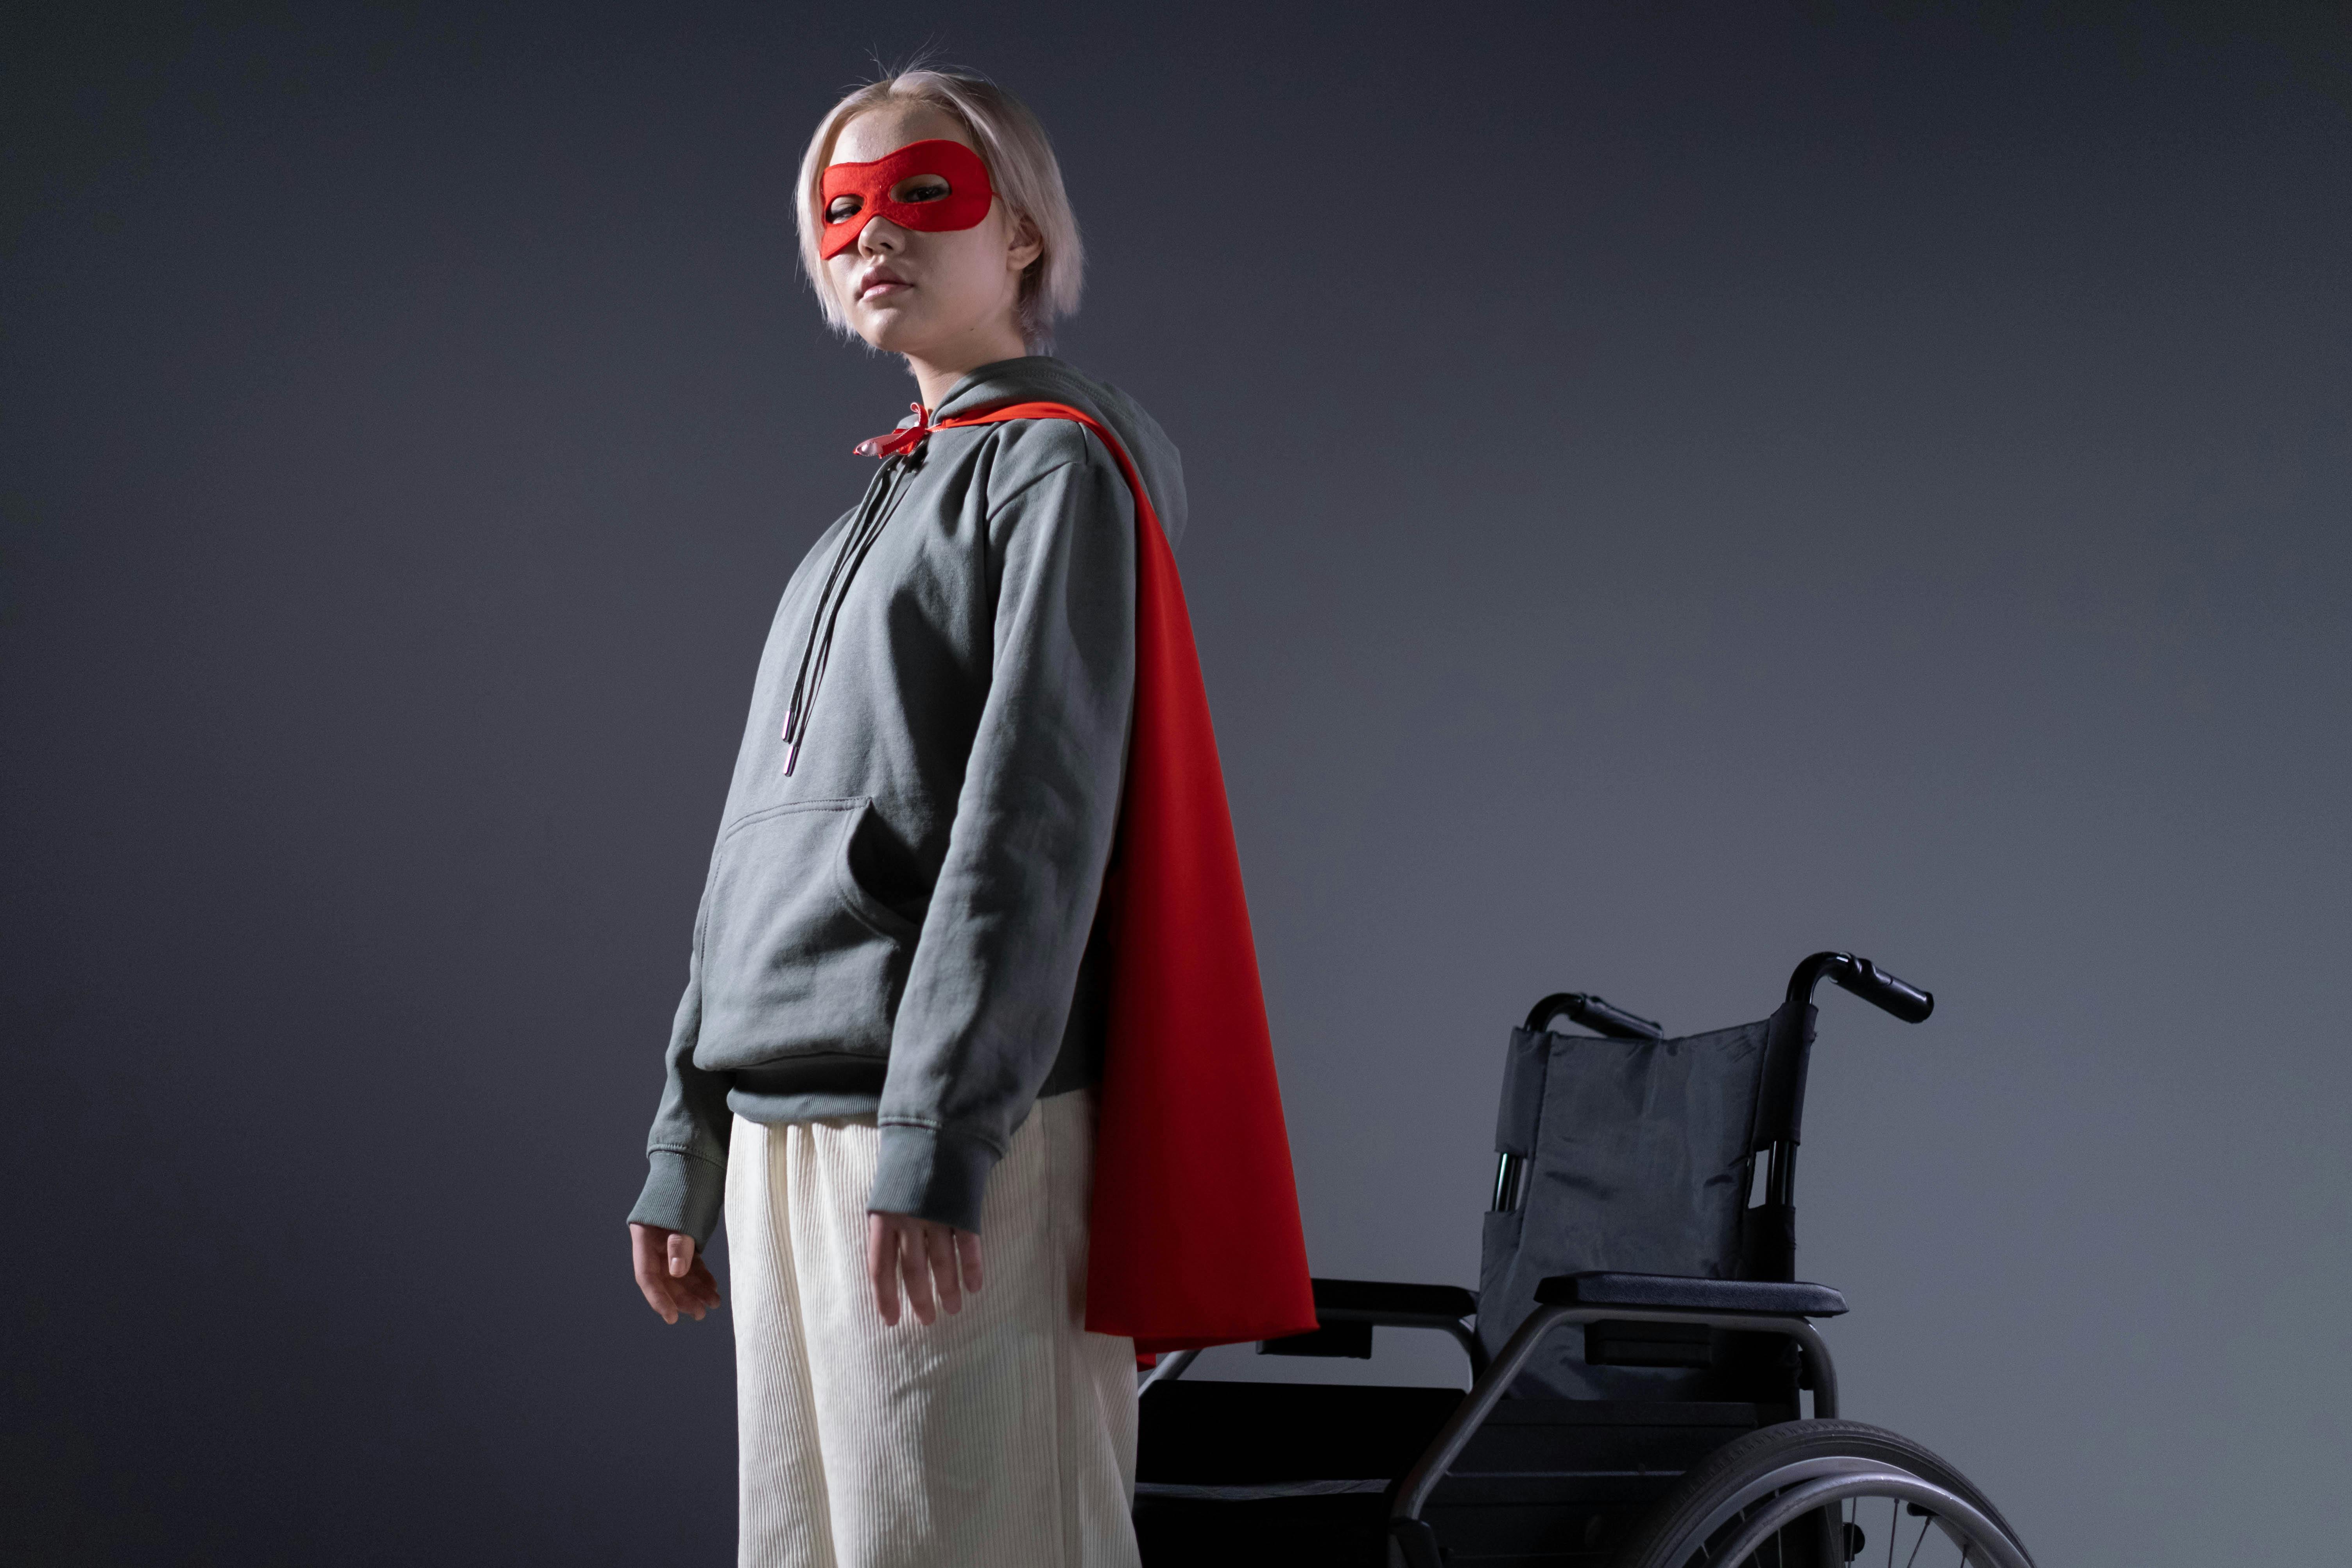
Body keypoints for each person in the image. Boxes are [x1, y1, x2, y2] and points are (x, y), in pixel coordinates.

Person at [622, 68, 1311, 1568]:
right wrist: (686, 1140)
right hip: (781, 1128)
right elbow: (751, 855)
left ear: (1021, 235)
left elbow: (1031, 823)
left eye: (922, 192)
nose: (874, 231)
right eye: (841, 207)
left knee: (979, 1544)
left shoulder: (1055, 466)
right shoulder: (849, 531)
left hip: (947, 1126)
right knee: (817, 1551)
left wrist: (941, 1136)